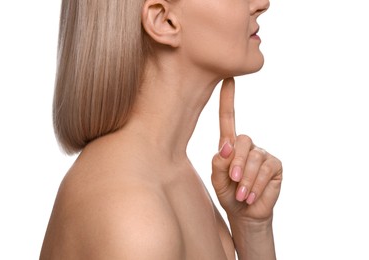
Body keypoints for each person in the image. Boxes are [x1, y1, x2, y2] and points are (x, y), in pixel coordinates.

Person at [40, 0, 283, 259]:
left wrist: (253, 231)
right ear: (163, 20)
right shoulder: (132, 214)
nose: (262, 4)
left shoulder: (169, 172)